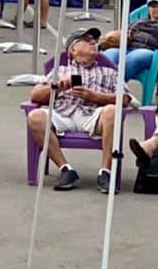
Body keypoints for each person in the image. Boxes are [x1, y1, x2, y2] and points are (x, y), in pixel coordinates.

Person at [26, 27, 130, 193]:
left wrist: (95, 97)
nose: (93, 42)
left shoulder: (109, 72)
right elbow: (35, 95)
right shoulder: (60, 71)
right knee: (35, 116)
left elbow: (125, 99)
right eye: (86, 40)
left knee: (111, 110)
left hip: (93, 116)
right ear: (73, 49)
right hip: (63, 113)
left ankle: (106, 172)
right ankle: (66, 170)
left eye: (94, 40)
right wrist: (57, 87)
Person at [102, 0, 158, 82]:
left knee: (135, 57)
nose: (157, 9)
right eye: (153, 6)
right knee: (109, 54)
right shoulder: (139, 22)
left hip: (152, 53)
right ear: (149, 9)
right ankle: (104, 86)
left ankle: (114, 87)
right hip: (128, 47)